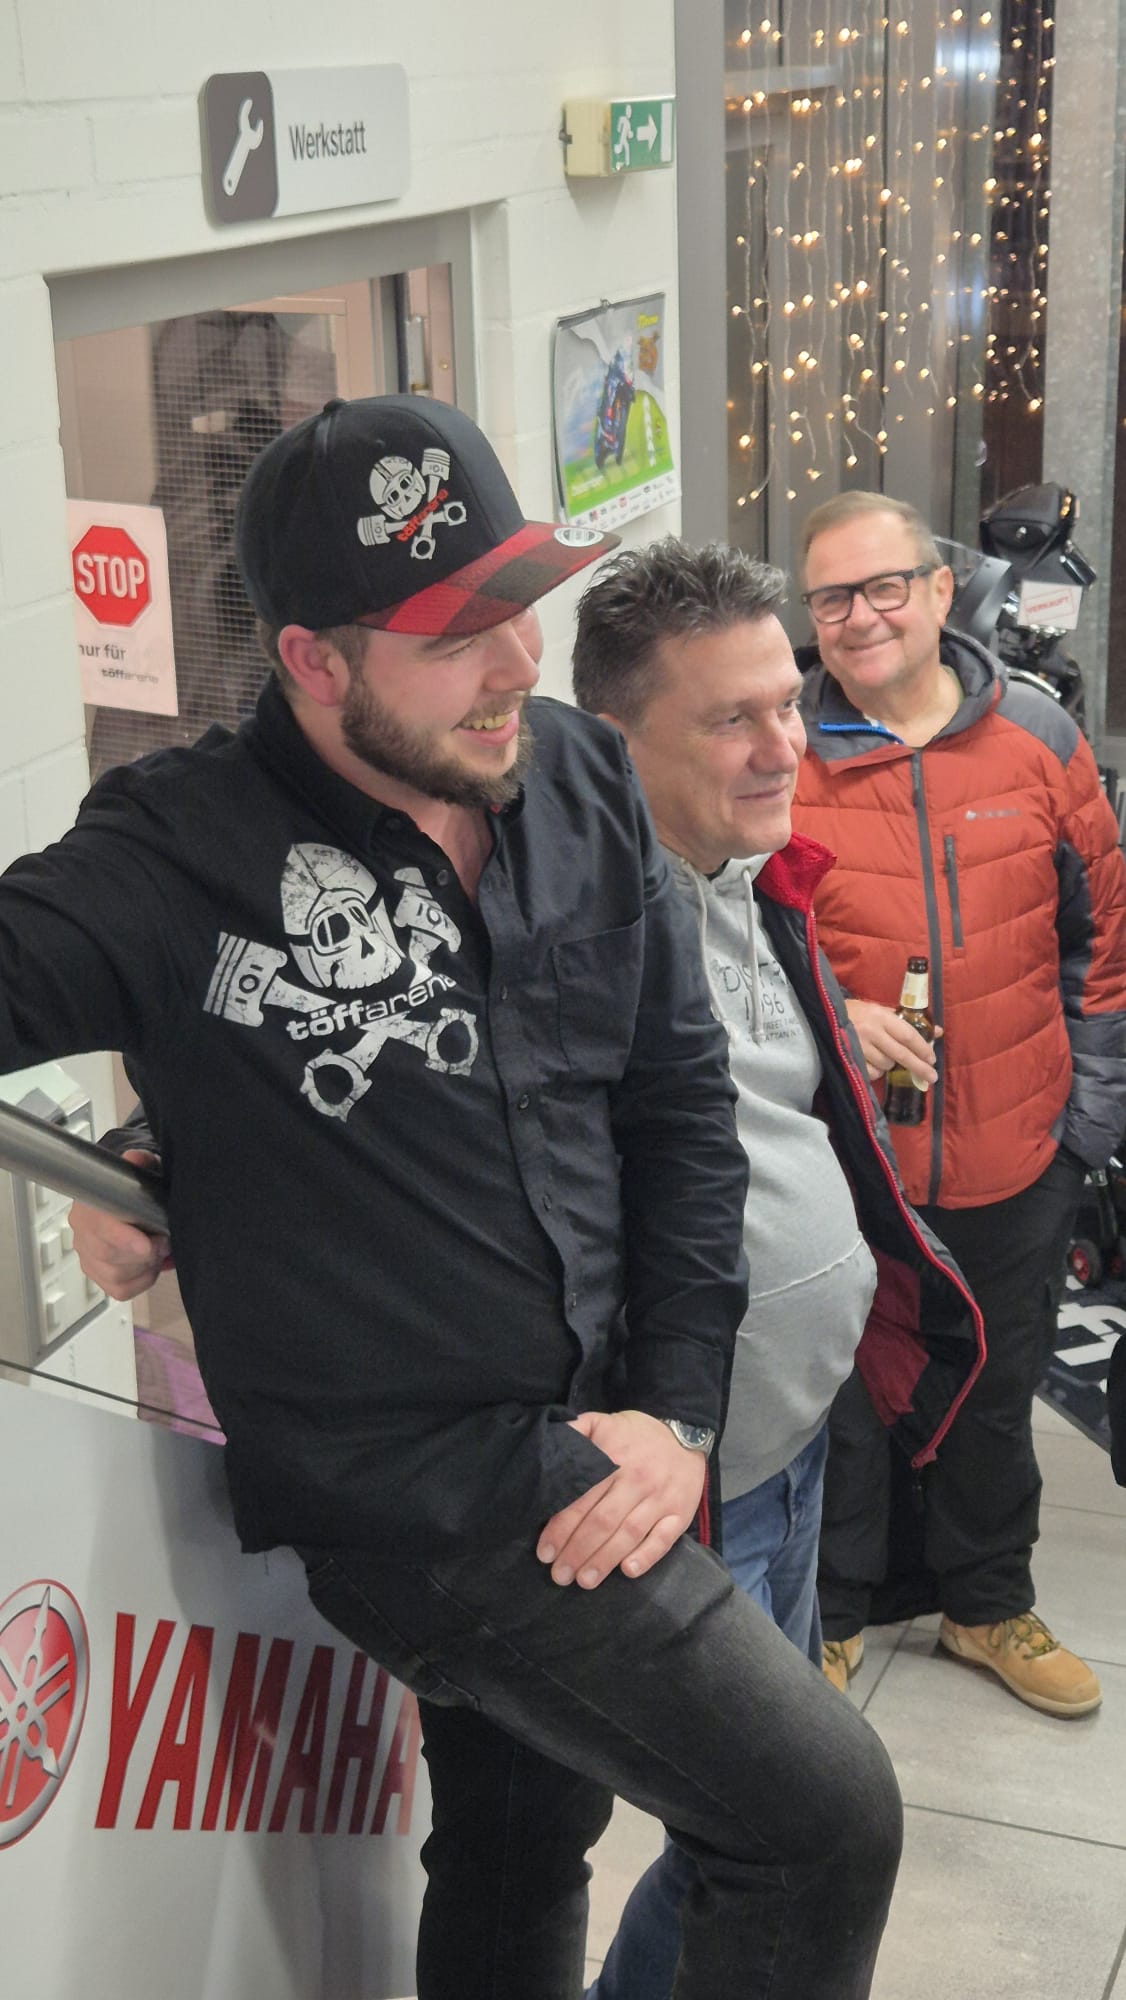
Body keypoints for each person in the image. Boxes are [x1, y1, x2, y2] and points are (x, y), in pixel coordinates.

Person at [0, 396, 904, 2000]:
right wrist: (154, 1144)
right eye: (452, 635)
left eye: (520, 604)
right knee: (819, 1819)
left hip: (604, 1421)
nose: (515, 664)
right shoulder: (175, 851)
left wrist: (673, 1408)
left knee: (514, 1838)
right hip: (418, 1496)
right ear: (312, 660)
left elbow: (673, 1108)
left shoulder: (575, 774)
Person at [570, 537, 983, 2000]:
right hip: (688, 1477)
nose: (782, 745)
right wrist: (156, 1139)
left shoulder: (747, 873)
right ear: (610, 741)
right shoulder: (564, 928)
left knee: (758, 1823)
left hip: (790, 1439)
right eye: (730, 719)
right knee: (768, 1831)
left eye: (785, 702)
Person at [794, 488, 1126, 1718]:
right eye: (832, 595)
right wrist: (837, 1012)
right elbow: (733, 940)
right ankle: (830, 1612)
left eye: (884, 585)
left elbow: (1103, 941)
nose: (861, 614)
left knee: (995, 1388)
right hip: (844, 1161)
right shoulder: (778, 753)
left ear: (940, 591)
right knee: (839, 1393)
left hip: (1015, 1148)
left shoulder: (1036, 736)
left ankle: (986, 1603)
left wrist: (1083, 1128)